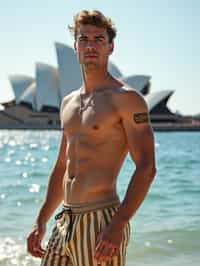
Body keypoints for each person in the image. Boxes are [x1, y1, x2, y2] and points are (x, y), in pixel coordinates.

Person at [27, 9, 156, 266]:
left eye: (99, 39)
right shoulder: (68, 103)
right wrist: (40, 221)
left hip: (100, 220)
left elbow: (146, 167)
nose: (91, 46)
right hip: (65, 219)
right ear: (75, 47)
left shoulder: (127, 99)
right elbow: (62, 167)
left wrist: (118, 223)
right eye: (84, 39)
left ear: (111, 47)